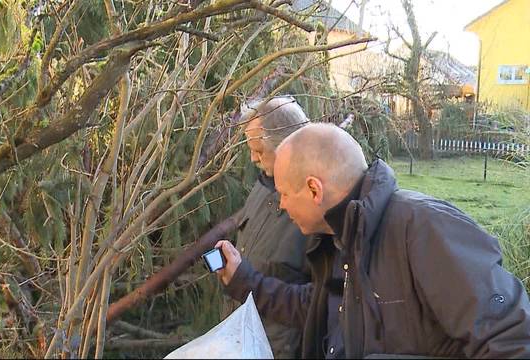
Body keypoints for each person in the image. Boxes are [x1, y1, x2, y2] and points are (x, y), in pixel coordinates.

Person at [216, 123, 530, 358]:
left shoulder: (422, 227)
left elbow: (512, 339)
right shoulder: (338, 240)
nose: (281, 205)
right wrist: (245, 281)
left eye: (284, 193)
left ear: (314, 190)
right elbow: (316, 307)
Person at [221, 96, 311, 358]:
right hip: (242, 339)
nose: (252, 159)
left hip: (279, 349)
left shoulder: (315, 208)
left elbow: (318, 303)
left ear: (287, 147)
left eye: (259, 151)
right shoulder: (263, 186)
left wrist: (246, 281)